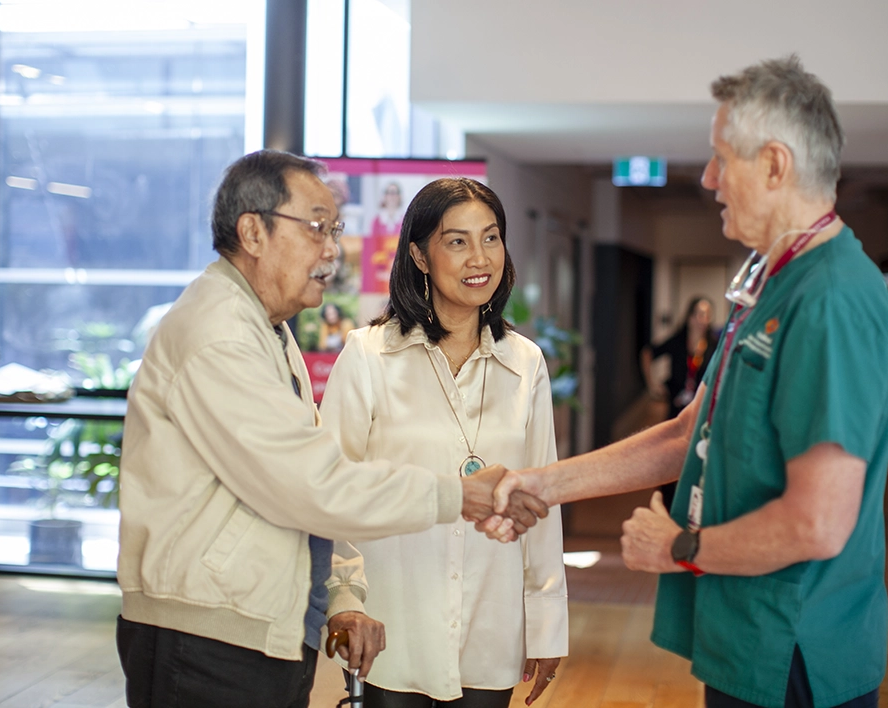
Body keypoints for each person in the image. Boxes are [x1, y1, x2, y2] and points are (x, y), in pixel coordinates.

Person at [490, 55, 888, 708]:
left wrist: (679, 545)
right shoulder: (775, 282)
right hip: (746, 641)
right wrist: (542, 485)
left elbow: (818, 525)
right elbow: (688, 432)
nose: (709, 179)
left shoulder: (829, 298)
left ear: (773, 164)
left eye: (720, 159)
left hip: (795, 657)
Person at [115, 150, 547, 708]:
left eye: (335, 228)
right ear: (252, 231)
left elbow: (310, 480)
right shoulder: (221, 335)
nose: (330, 249)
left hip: (254, 621)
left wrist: (340, 590)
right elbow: (313, 482)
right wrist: (457, 495)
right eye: (316, 227)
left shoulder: (265, 329)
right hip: (206, 636)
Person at [319, 178, 568, 708]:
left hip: (492, 624)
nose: (480, 258)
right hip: (390, 624)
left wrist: (547, 623)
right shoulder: (368, 356)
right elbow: (332, 490)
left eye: (491, 237)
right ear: (419, 255)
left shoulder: (525, 364)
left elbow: (539, 498)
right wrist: (345, 599)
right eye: (457, 241)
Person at [640, 296, 718, 507]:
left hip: (701, 411)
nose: (703, 319)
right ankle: (668, 504)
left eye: (707, 314)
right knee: (671, 453)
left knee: (697, 457)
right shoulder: (677, 341)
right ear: (690, 317)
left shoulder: (714, 344)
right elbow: (648, 352)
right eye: (699, 314)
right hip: (676, 409)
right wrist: (652, 385)